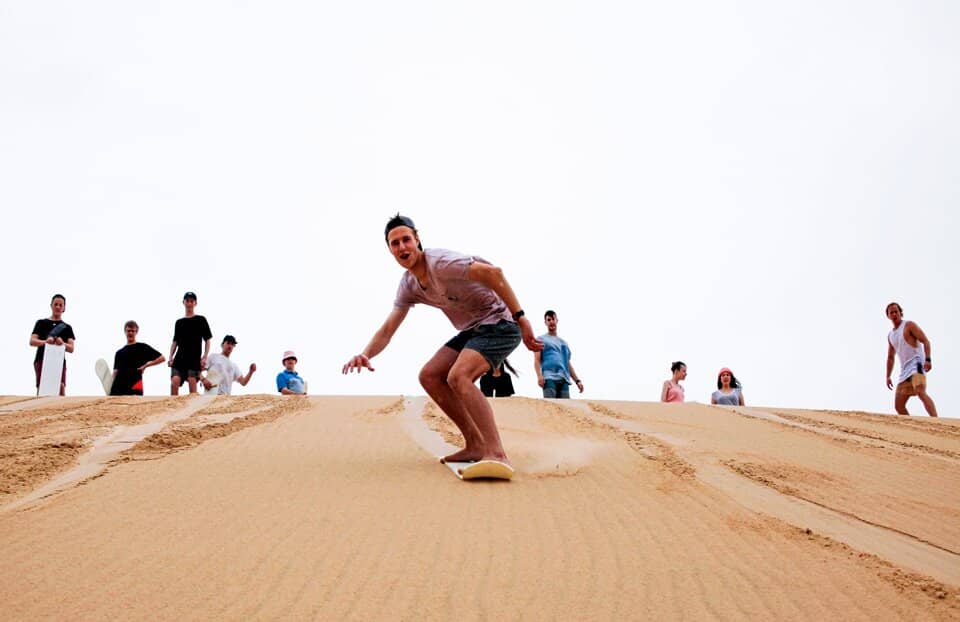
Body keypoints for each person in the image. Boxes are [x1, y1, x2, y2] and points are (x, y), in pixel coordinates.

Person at [342, 214, 542, 474]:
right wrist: (366, 354)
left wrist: (521, 318)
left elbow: (494, 273)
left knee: (459, 376)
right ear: (389, 249)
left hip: (502, 323)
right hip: (473, 330)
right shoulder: (409, 285)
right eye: (395, 243)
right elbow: (388, 329)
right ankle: (474, 444)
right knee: (430, 375)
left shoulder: (442, 263)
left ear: (417, 240)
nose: (402, 247)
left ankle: (497, 453)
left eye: (406, 240)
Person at [885, 302, 938, 417]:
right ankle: (911, 428)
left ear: (900, 313)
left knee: (920, 391)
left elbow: (925, 341)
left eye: (896, 312)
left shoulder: (909, 325)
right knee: (898, 405)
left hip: (917, 363)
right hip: (904, 370)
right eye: (891, 312)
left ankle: (936, 421)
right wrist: (888, 376)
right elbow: (890, 357)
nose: (894, 314)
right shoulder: (890, 336)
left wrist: (928, 359)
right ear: (888, 316)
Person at [29, 294, 76, 396]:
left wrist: (62, 343)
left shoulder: (67, 327)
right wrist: (46, 342)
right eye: (56, 304)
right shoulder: (41, 323)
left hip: (59, 361)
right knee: (42, 386)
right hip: (42, 358)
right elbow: (32, 341)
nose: (58, 307)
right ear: (51, 305)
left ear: (64, 308)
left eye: (60, 305)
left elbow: (71, 348)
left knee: (61, 386)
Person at [168, 291, 212, 395]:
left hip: (194, 359)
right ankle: (172, 407)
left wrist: (205, 356)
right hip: (179, 358)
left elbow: (208, 339)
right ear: (183, 302)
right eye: (187, 301)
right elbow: (175, 342)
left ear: (195, 303)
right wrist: (170, 356)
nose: (189, 303)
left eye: (192, 301)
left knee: (192, 386)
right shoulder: (179, 322)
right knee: (175, 382)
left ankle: (193, 409)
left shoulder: (201, 320)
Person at [534, 310, 583, 398]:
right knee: (550, 406)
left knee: (564, 407)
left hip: (564, 379)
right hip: (548, 378)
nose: (551, 322)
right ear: (545, 322)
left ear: (557, 320)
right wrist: (539, 376)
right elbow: (537, 360)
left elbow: (568, 364)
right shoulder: (540, 339)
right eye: (548, 320)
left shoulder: (564, 343)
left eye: (553, 319)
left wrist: (577, 381)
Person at [110, 321, 165, 396]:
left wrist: (145, 366)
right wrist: (110, 387)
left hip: (135, 385)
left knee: (137, 406)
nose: (130, 333)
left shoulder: (142, 347)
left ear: (136, 332)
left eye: (133, 331)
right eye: (128, 331)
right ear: (125, 332)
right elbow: (115, 372)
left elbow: (162, 358)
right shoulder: (119, 352)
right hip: (118, 388)